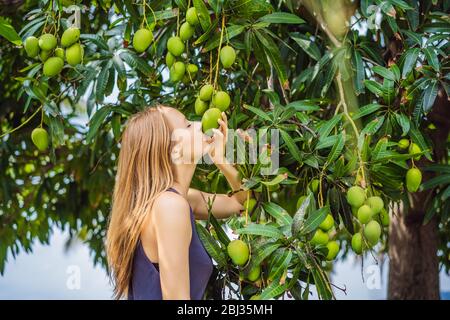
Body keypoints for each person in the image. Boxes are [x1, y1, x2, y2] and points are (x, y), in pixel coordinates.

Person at [106, 105, 247, 299]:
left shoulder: (179, 200)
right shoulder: (170, 206)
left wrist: (220, 159)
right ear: (170, 148)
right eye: (188, 125)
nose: (199, 125)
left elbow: (241, 203)